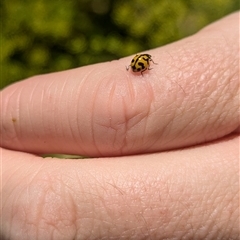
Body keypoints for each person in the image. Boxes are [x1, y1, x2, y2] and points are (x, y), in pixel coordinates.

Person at [0, 11, 239, 240]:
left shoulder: (140, 63)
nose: (140, 66)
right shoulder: (142, 64)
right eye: (141, 65)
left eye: (141, 65)